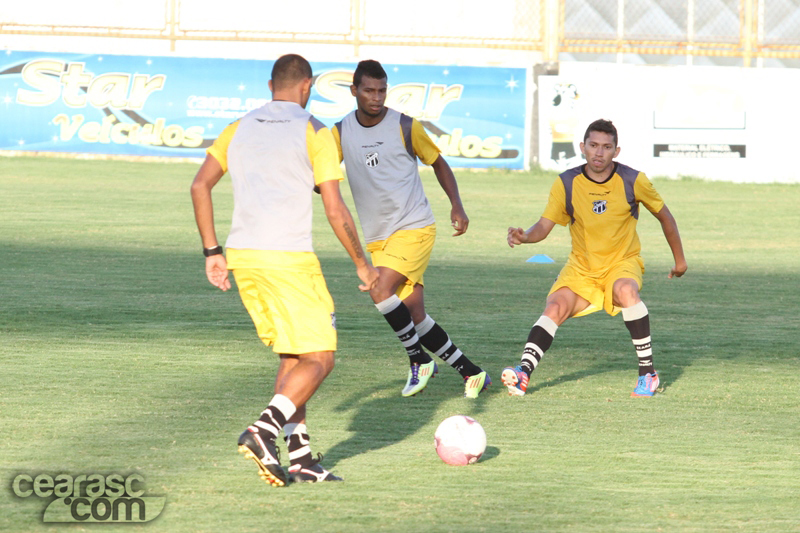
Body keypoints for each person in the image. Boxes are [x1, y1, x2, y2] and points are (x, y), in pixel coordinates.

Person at [190, 54, 379, 487]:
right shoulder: (314, 131)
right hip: (289, 260)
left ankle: (301, 459)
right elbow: (334, 208)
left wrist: (211, 252)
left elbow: (199, 185)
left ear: (270, 84)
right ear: (307, 85)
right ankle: (262, 430)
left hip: (244, 258)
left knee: (294, 356)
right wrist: (362, 266)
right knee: (320, 358)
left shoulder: (238, 126)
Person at [332, 59, 490, 399]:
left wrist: (457, 205)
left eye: (382, 90)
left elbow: (439, 163)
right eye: (369, 90)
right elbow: (323, 175)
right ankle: (472, 372)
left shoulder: (405, 125)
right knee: (415, 317)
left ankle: (418, 359)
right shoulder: (340, 132)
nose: (376, 97)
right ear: (354, 91)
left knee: (379, 288)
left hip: (414, 225)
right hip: (378, 236)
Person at [502, 119, 687, 398]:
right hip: (582, 269)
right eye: (593, 146)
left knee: (626, 291)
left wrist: (680, 260)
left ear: (616, 151)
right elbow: (544, 225)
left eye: (606, 147)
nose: (599, 153)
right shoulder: (566, 182)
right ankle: (524, 372)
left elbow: (665, 216)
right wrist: (525, 236)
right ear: (582, 147)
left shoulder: (633, 180)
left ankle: (647, 373)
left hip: (621, 263)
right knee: (554, 307)